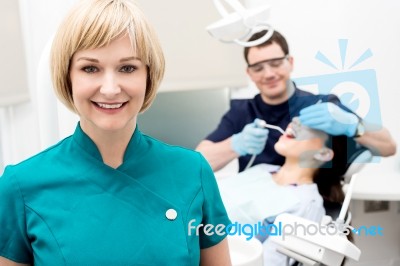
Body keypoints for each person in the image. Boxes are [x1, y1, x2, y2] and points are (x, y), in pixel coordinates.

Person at [0, 0, 231, 265]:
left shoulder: (192, 172)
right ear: (68, 77)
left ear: (148, 76)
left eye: (127, 68)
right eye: (90, 68)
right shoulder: (20, 187)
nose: (110, 88)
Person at [196, 29, 396, 172]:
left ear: (290, 62)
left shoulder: (322, 106)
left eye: (275, 64)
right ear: (249, 73)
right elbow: (197, 163)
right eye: (258, 68)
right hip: (259, 213)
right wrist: (235, 145)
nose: (269, 74)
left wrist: (354, 126)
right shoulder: (241, 111)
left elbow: (389, 147)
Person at [217, 118, 353, 265]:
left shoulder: (307, 204)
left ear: (323, 153)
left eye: (311, 125)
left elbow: (268, 263)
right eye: (298, 117)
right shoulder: (262, 169)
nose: (295, 122)